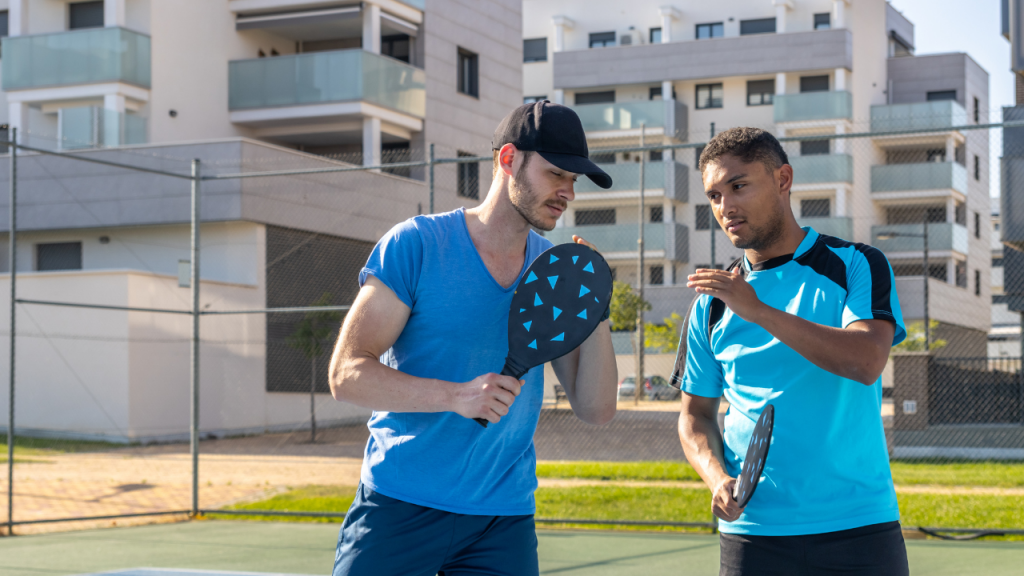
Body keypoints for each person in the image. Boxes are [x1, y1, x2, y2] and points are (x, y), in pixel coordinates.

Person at [327, 101, 619, 576]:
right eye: (556, 174)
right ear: (508, 160)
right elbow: (346, 374)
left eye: (574, 181)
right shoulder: (417, 244)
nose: (567, 191)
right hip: (400, 504)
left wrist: (598, 306)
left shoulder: (553, 274)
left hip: (501, 521)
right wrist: (457, 396)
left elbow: (596, 409)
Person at [674, 127, 910, 576]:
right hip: (753, 535)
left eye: (739, 185)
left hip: (858, 527)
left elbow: (865, 361)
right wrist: (715, 475)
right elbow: (694, 415)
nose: (726, 208)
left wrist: (758, 310)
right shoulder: (709, 305)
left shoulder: (856, 264)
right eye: (714, 195)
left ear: (783, 179)